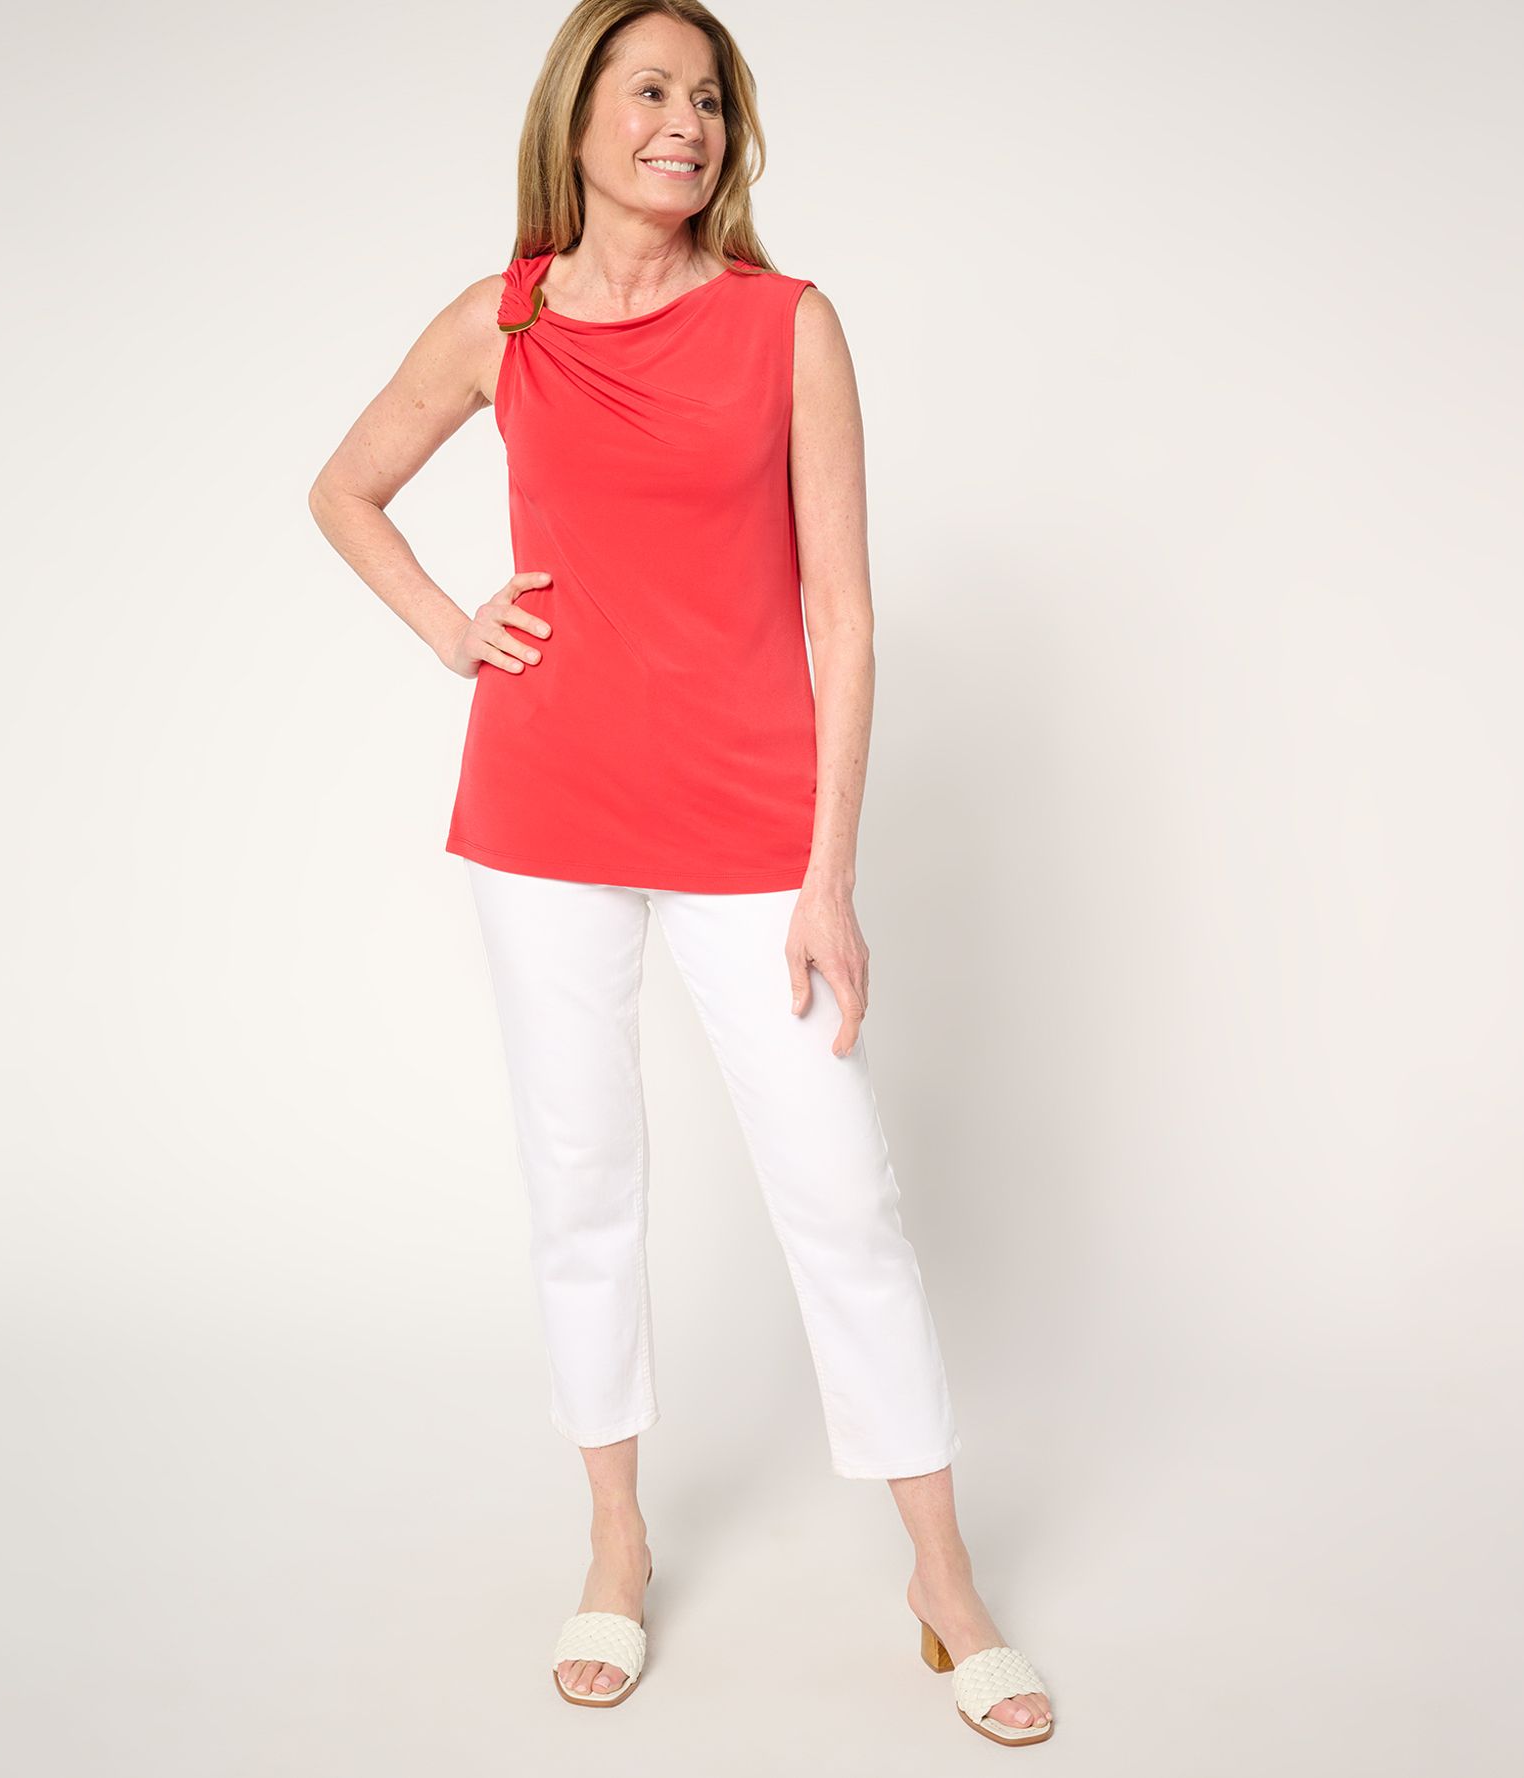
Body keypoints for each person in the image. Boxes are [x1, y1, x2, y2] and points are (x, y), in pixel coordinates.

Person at [307, 0, 1054, 1747]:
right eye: (650, 89)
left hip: (748, 825)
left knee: (841, 1191)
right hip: (544, 811)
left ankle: (943, 1577)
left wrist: (827, 874)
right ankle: (617, 1538)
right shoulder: (501, 321)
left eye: (708, 98)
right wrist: (453, 630)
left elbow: (843, 615)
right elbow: (346, 490)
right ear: (577, 117)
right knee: (583, 1177)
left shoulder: (787, 325)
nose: (685, 123)